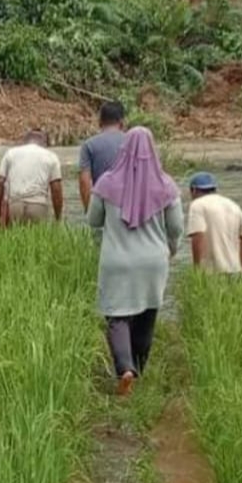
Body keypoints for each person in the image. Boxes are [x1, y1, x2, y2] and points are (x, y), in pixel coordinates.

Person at [88, 127, 183, 397]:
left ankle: (124, 369)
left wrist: (103, 241)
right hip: (153, 261)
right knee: (147, 314)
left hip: (116, 260)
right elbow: (176, 228)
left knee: (117, 316)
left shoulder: (106, 183)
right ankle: (137, 373)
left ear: (124, 149)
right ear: (153, 150)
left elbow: (93, 221)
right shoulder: (166, 185)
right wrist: (170, 249)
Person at [0, 129, 63, 226]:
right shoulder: (51, 156)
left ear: (24, 141)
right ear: (44, 143)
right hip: (38, 206)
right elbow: (56, 189)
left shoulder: (11, 153)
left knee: (12, 239)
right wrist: (58, 217)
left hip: (14, 205)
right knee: (37, 240)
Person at [186, 172, 242, 273]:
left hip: (211, 271)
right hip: (234, 269)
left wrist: (197, 268)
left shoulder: (197, 205)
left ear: (194, 190)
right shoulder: (232, 204)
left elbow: (198, 236)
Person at [79, 101, 126, 211]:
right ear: (122, 122)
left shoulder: (89, 145)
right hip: (130, 206)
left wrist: (89, 211)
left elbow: (84, 182)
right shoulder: (132, 142)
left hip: (102, 204)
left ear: (100, 122)